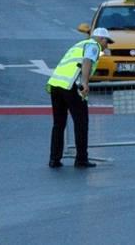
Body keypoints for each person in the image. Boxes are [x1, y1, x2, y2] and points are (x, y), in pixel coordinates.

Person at [45, 27, 114, 169]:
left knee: (59, 124)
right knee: (81, 123)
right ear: (101, 39)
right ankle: (81, 159)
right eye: (107, 41)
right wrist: (84, 83)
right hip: (72, 86)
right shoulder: (94, 46)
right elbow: (87, 61)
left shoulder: (78, 45)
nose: (107, 45)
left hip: (56, 85)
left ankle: (54, 159)